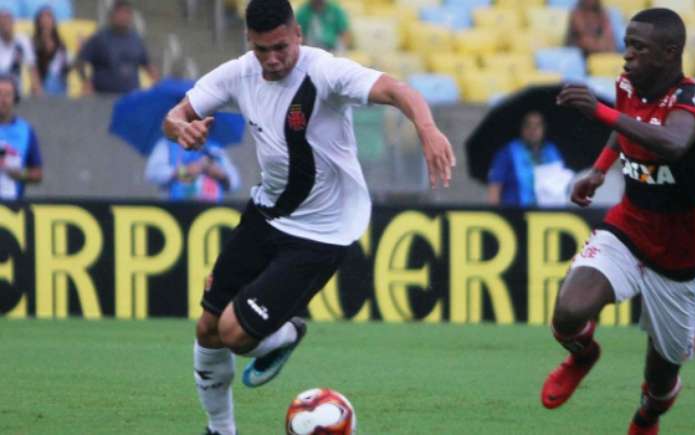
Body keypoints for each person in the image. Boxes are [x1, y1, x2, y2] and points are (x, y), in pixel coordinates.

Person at [162, 1, 455, 434]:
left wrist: (427, 129)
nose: (273, 59)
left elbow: (397, 91)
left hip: (322, 231)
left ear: (298, 34)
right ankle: (219, 430)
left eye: (281, 47)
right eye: (263, 50)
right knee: (207, 329)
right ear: (249, 42)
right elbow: (175, 114)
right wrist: (180, 128)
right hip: (268, 213)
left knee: (234, 334)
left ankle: (288, 332)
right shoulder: (239, 73)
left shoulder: (324, 73)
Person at [543, 8, 695, 435]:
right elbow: (626, 130)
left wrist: (600, 111)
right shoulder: (628, 86)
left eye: (638, 48)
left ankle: (648, 415)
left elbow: (674, 143)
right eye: (627, 46)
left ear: (669, 52)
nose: (627, 57)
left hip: (682, 252)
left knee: (660, 380)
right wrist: (600, 169)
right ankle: (583, 355)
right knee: (569, 312)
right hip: (630, 226)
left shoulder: (692, 99)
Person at [75, 0, 159, 94]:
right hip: (103, 96)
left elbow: (148, 65)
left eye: (126, 13)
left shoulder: (136, 40)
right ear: (112, 16)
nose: (123, 16)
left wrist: (158, 84)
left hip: (130, 97)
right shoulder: (99, 38)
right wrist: (86, 82)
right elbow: (79, 62)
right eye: (120, 13)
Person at [487, 111, 569, 207]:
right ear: (521, 128)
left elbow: (562, 183)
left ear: (544, 128)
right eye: (528, 125)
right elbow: (495, 187)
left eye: (538, 125)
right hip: (515, 213)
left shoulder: (553, 151)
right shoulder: (507, 153)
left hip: (548, 214)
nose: (533, 130)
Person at [145, 137, 240, 202]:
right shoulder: (167, 144)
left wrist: (221, 175)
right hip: (177, 210)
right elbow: (152, 173)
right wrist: (184, 171)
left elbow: (234, 183)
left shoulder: (215, 148)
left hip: (211, 212)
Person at [0, 75, 42, 200]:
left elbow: (38, 173)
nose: (2, 100)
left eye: (7, 95)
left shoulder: (26, 131)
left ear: (15, 98)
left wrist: (19, 173)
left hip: (13, 210)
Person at [0, 9, 42, 96]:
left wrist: (36, 87)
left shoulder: (23, 41)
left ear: (13, 23)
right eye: (2, 23)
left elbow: (32, 66)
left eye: (7, 21)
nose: (5, 26)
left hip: (16, 91)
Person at [33, 6, 69, 95]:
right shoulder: (33, 43)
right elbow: (34, 66)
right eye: (43, 17)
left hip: (60, 85)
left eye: (49, 16)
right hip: (43, 85)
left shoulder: (61, 45)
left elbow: (65, 68)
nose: (46, 20)